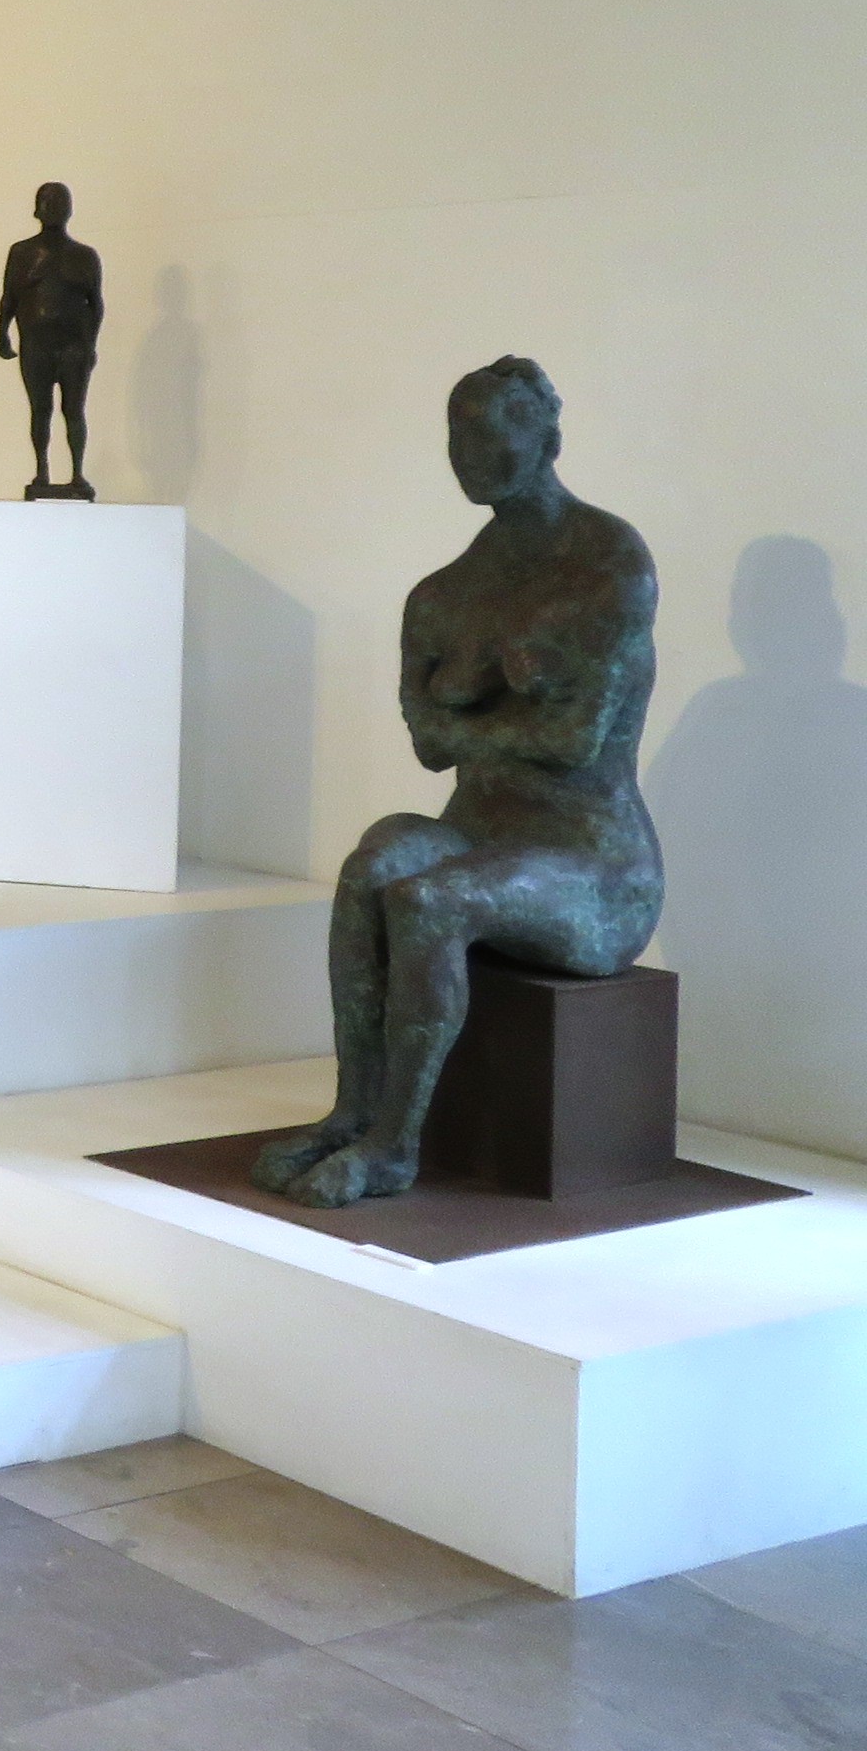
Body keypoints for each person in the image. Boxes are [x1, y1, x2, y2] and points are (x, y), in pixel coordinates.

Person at [253, 361, 663, 1208]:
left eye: (493, 432)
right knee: (371, 866)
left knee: (431, 900)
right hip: (480, 832)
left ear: (547, 438)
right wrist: (498, 710)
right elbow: (429, 749)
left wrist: (467, 700)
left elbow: (572, 741)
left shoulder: (606, 564)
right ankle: (352, 1111)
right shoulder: (443, 593)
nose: (471, 453)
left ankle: (394, 1148)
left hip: (594, 869)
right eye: (459, 434)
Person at [0, 180, 102, 499]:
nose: (54, 208)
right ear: (37, 210)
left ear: (69, 210)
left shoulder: (84, 256)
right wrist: (2, 334)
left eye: (59, 202)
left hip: (73, 346)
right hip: (36, 344)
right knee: (40, 409)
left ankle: (77, 474)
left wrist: (90, 345)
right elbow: (9, 298)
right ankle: (42, 470)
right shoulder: (22, 253)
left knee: (74, 410)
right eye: (48, 202)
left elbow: (95, 305)